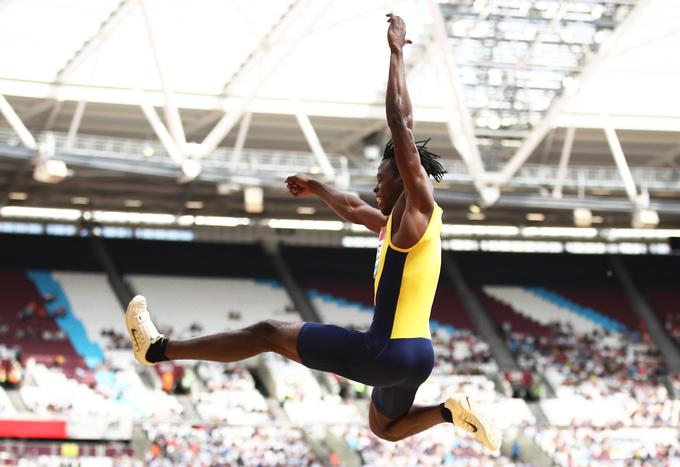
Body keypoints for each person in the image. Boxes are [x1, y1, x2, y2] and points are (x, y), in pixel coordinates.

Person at [124, 14, 500, 451]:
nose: (376, 187)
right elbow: (354, 207)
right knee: (385, 428)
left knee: (266, 332)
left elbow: (401, 123)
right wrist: (318, 187)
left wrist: (396, 52)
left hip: (386, 351)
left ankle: (157, 350)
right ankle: (448, 411)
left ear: (403, 173)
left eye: (381, 177)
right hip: (418, 358)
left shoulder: (418, 206)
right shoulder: (406, 228)